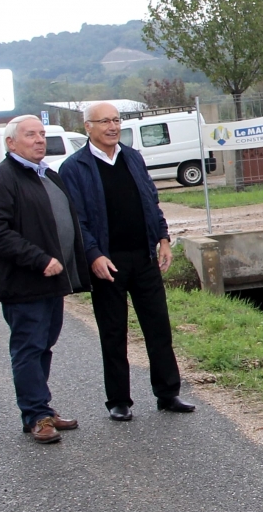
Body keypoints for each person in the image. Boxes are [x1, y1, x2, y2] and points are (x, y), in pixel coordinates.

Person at [59, 102, 194, 421]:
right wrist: (93, 255)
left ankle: (168, 393)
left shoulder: (132, 158)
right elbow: (77, 220)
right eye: (104, 121)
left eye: (116, 120)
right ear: (87, 127)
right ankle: (119, 400)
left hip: (144, 257)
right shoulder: (74, 168)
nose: (112, 126)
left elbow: (151, 201)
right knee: (113, 331)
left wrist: (163, 239)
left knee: (158, 326)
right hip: (107, 262)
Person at [0, 114, 90, 444]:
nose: (40, 140)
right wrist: (39, 259)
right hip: (24, 283)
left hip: (53, 281)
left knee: (44, 346)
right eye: (31, 135)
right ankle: (36, 416)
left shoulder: (48, 176)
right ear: (11, 143)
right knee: (28, 347)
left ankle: (42, 406)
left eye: (42, 134)